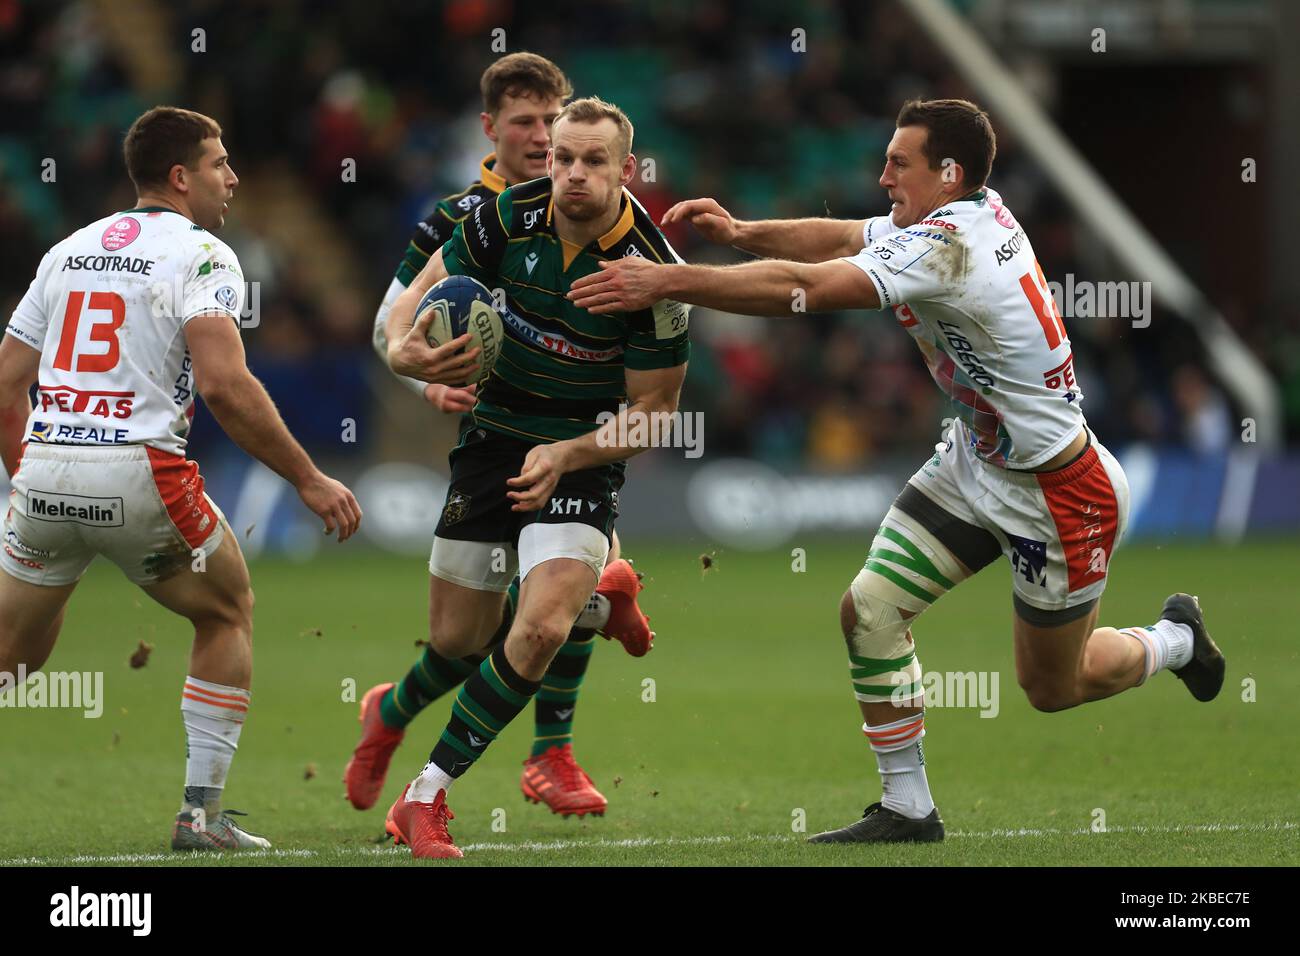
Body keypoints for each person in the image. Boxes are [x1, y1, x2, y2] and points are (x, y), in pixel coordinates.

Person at [570, 97, 1224, 844]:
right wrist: (744, 233)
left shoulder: (951, 249)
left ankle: (1175, 640)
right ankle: (908, 809)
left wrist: (666, 283)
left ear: (948, 174)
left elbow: (812, 289)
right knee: (870, 611)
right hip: (978, 463)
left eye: (898, 162)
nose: (881, 175)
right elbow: (844, 237)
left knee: (1053, 687)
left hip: (1058, 493)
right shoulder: (949, 220)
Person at [0, 107, 362, 851]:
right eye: (218, 164)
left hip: (44, 474)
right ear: (179, 176)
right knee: (226, 611)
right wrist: (309, 479)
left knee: (13, 660)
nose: (231, 179)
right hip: (141, 474)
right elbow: (227, 388)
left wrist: (32, 481)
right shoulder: (203, 254)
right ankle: (199, 816)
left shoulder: (68, 249)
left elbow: (7, 385)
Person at [381, 96, 690, 858]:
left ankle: (426, 797)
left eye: (594, 161)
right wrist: (404, 354)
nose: (573, 174)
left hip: (579, 455)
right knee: (459, 640)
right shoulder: (500, 219)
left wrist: (572, 454)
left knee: (543, 624)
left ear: (626, 170)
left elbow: (653, 414)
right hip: (490, 443)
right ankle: (602, 587)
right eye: (562, 158)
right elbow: (409, 307)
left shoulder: (654, 275)